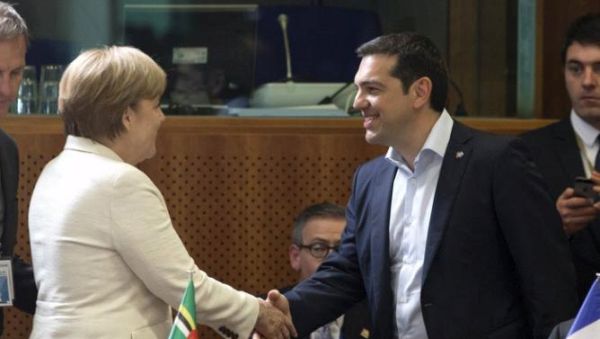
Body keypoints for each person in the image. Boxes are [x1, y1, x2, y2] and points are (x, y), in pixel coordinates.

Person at [264, 32, 578, 338]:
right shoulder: (370, 179)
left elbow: (547, 280)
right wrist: (288, 310)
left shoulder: (496, 161)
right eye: (358, 89)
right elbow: (349, 272)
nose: (358, 102)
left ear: (419, 92)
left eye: (372, 89)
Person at [27, 46, 295, 339]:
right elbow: (185, 287)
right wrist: (257, 313)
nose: (162, 118)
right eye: (155, 105)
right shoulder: (119, 182)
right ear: (127, 115)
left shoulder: (54, 170)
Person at [521, 13, 600, 304]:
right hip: (562, 314)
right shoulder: (527, 151)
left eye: (599, 68)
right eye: (576, 69)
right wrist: (553, 224)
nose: (588, 82)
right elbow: (505, 250)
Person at [0, 1, 37, 334]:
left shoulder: (6, 151)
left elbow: (1, 265)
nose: (6, 90)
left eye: (16, 73)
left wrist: (71, 298)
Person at [285, 202, 370, 339]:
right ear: (296, 257)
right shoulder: (268, 312)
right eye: (318, 248)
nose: (332, 258)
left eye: (341, 250)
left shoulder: (378, 314)